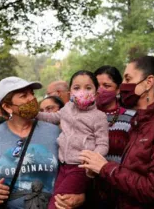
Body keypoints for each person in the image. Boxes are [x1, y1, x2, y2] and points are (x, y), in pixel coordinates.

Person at [79, 56, 154, 208]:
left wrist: (105, 168)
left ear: (148, 83)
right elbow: (132, 173)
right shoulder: (140, 122)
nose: (123, 85)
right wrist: (98, 170)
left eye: (128, 78)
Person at [0, 77, 84, 209]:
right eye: (24, 96)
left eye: (32, 94)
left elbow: (73, 171)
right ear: (7, 107)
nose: (31, 99)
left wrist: (79, 196)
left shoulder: (54, 132)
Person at [35, 71, 108, 209]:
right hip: (63, 166)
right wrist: (35, 114)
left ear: (96, 93)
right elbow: (53, 117)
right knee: (60, 200)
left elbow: (103, 143)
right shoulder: (67, 108)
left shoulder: (99, 116)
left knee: (56, 204)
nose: (82, 91)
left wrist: (92, 159)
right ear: (70, 93)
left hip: (80, 168)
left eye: (88, 88)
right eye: (76, 88)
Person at [91, 65, 135, 208]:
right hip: (90, 190)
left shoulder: (132, 117)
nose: (100, 90)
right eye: (96, 85)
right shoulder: (84, 117)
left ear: (117, 90)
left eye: (106, 85)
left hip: (123, 189)